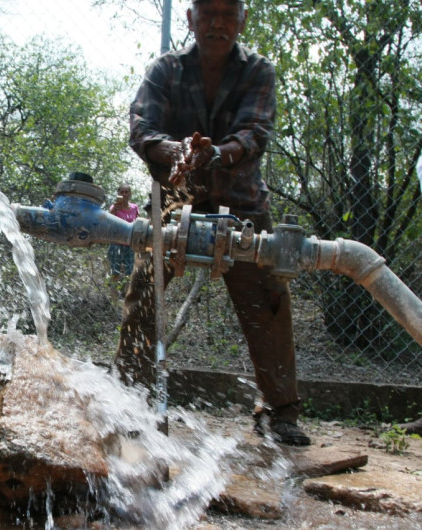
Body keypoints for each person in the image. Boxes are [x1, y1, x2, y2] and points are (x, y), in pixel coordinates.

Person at [118, 0, 311, 446]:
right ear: (191, 19)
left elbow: (254, 133)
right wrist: (174, 152)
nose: (218, 23)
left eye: (229, 13)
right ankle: (128, 398)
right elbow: (141, 127)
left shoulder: (258, 71)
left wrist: (214, 154)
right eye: (208, 13)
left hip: (239, 200)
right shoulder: (164, 69)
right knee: (144, 293)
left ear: (242, 20)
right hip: (174, 198)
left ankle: (279, 411)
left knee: (267, 302)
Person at [107, 184, 139, 303]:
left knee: (129, 272)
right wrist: (115, 209)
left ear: (130, 193)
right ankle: (113, 298)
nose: (124, 194)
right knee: (115, 272)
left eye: (126, 192)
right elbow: (108, 220)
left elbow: (138, 223)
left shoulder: (134, 208)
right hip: (116, 244)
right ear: (118, 193)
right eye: (122, 192)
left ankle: (126, 297)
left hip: (129, 245)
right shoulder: (114, 208)